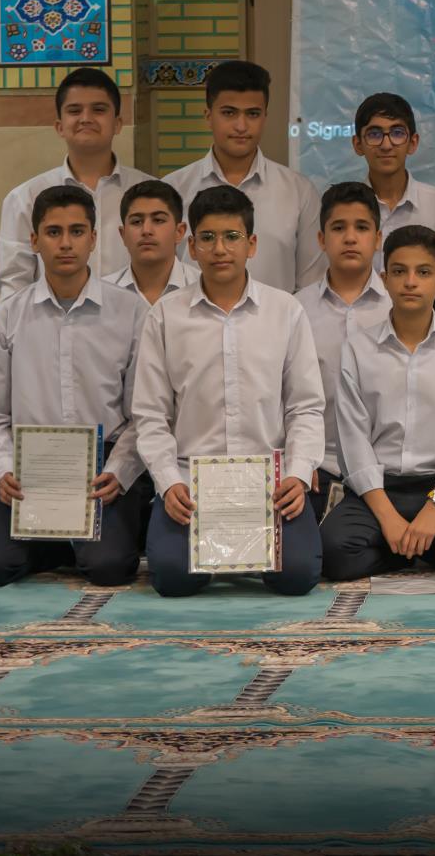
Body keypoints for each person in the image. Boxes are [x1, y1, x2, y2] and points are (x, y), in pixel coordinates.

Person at [130, 185, 325, 597]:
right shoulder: (165, 316)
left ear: (251, 244)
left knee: (297, 577)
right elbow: (150, 415)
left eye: (232, 237)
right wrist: (168, 482)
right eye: (207, 237)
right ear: (191, 247)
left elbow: (305, 407)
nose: (220, 249)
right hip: (192, 483)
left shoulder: (285, 312)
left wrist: (297, 474)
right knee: (173, 579)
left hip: (268, 484)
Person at [0, 185, 151, 587]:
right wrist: (2, 471)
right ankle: (62, 544)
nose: (66, 243)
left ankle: (92, 536)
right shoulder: (7, 316)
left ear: (93, 239)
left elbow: (144, 413)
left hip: (102, 463)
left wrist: (119, 471)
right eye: (53, 232)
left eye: (77, 231)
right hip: (30, 463)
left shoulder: (131, 311)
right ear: (34, 240)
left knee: (108, 568)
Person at [319, 226, 435, 583]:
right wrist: (388, 517)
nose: (410, 282)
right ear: (385, 279)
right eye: (399, 271)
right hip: (378, 488)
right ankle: (414, 548)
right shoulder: (358, 348)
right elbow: (353, 442)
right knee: (334, 555)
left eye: (423, 272)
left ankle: (415, 543)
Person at [165, 60, 321, 293]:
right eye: (229, 113)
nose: (241, 126)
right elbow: (162, 277)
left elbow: (311, 287)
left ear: (265, 117)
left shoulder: (299, 192)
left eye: (253, 114)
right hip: (191, 316)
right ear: (208, 116)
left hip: (278, 317)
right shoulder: (173, 191)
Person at [0, 67, 150, 300]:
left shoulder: (150, 194)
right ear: (59, 126)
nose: (86, 119)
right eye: (75, 110)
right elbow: (14, 284)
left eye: (99, 109)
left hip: (136, 320)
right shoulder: (25, 198)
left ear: (118, 123)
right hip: (52, 321)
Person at [294, 183, 390, 519]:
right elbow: (285, 397)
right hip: (318, 468)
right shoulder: (296, 310)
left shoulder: (400, 306)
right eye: (338, 228)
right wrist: (298, 462)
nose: (350, 238)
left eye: (361, 228)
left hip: (388, 469)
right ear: (321, 239)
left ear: (378, 239)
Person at [350, 92, 435, 297]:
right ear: (357, 144)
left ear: (413, 142)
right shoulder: (346, 208)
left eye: (397, 133)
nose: (386, 145)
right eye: (374, 134)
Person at [105, 179, 196, 306]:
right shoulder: (102, 293)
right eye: (136, 222)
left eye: (158, 220)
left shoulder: (204, 287)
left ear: (179, 232)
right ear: (123, 235)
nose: (146, 230)